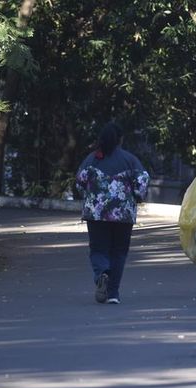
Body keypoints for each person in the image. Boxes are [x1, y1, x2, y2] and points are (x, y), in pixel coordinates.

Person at [76, 122, 150, 304]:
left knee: (99, 249)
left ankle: (102, 273)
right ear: (120, 140)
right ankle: (113, 294)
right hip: (123, 216)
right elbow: (142, 184)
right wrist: (136, 197)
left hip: (96, 215)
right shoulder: (130, 160)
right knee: (119, 252)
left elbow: (80, 183)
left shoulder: (92, 159)